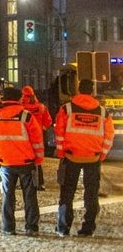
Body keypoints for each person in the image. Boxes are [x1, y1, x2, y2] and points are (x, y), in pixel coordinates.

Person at [54, 79, 114, 237]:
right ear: (92, 91)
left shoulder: (66, 109)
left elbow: (59, 132)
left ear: (78, 90)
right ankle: (88, 228)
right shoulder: (102, 112)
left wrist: (61, 152)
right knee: (91, 194)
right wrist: (102, 154)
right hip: (93, 159)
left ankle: (63, 227)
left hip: (70, 156)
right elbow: (109, 136)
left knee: (67, 193)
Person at [0, 86, 44, 236]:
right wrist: (38, 160)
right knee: (30, 196)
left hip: (5, 163)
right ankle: (31, 227)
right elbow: (37, 140)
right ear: (18, 99)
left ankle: (8, 227)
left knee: (7, 196)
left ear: (2, 98)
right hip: (26, 162)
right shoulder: (26, 116)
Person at [21, 84, 53, 190]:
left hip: (24, 136)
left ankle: (25, 183)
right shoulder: (41, 107)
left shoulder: (20, 108)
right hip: (38, 136)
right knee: (37, 160)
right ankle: (39, 183)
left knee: (24, 160)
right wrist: (41, 128)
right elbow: (48, 122)